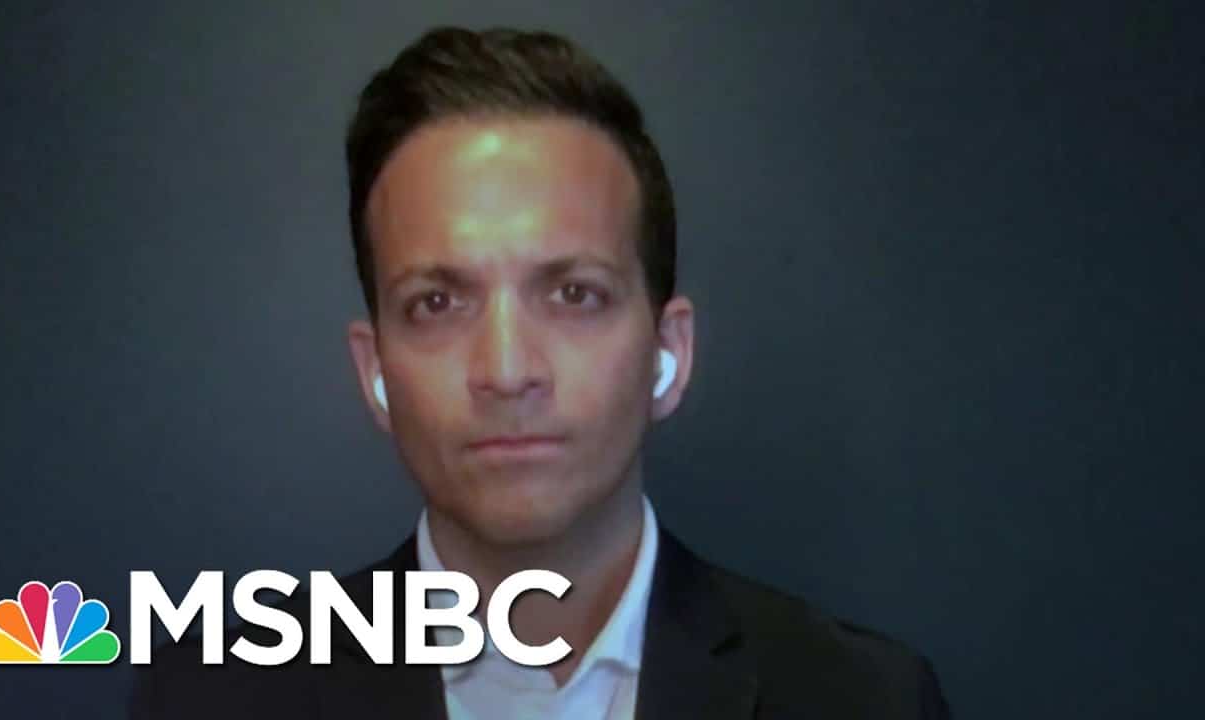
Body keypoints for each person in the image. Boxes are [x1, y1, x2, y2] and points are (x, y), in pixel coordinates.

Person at [130, 26, 951, 719]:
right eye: (437, 303)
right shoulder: (213, 699)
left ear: (669, 355)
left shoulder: (866, 701)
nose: (506, 369)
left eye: (573, 294)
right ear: (375, 371)